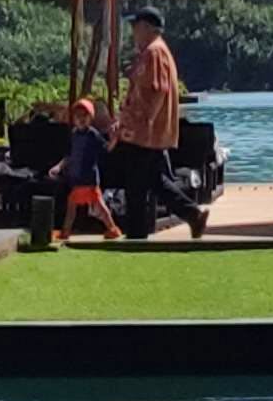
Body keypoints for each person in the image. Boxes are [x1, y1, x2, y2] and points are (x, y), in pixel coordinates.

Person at [112, 28, 184, 232]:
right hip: (144, 132)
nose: (134, 33)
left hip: (145, 133)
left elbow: (158, 89)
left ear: (147, 27)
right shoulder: (152, 52)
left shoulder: (155, 52)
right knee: (152, 180)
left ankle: (137, 230)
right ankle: (192, 214)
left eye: (136, 28)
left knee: (140, 182)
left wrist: (146, 119)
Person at [52, 93, 118, 245]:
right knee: (82, 205)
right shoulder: (74, 135)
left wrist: (114, 139)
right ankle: (111, 228)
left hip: (88, 178)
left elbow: (106, 149)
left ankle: (67, 232)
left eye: (85, 115)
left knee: (94, 206)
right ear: (74, 119)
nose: (81, 119)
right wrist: (59, 166)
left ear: (90, 118)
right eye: (78, 116)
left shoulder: (93, 135)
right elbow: (69, 155)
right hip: (76, 178)